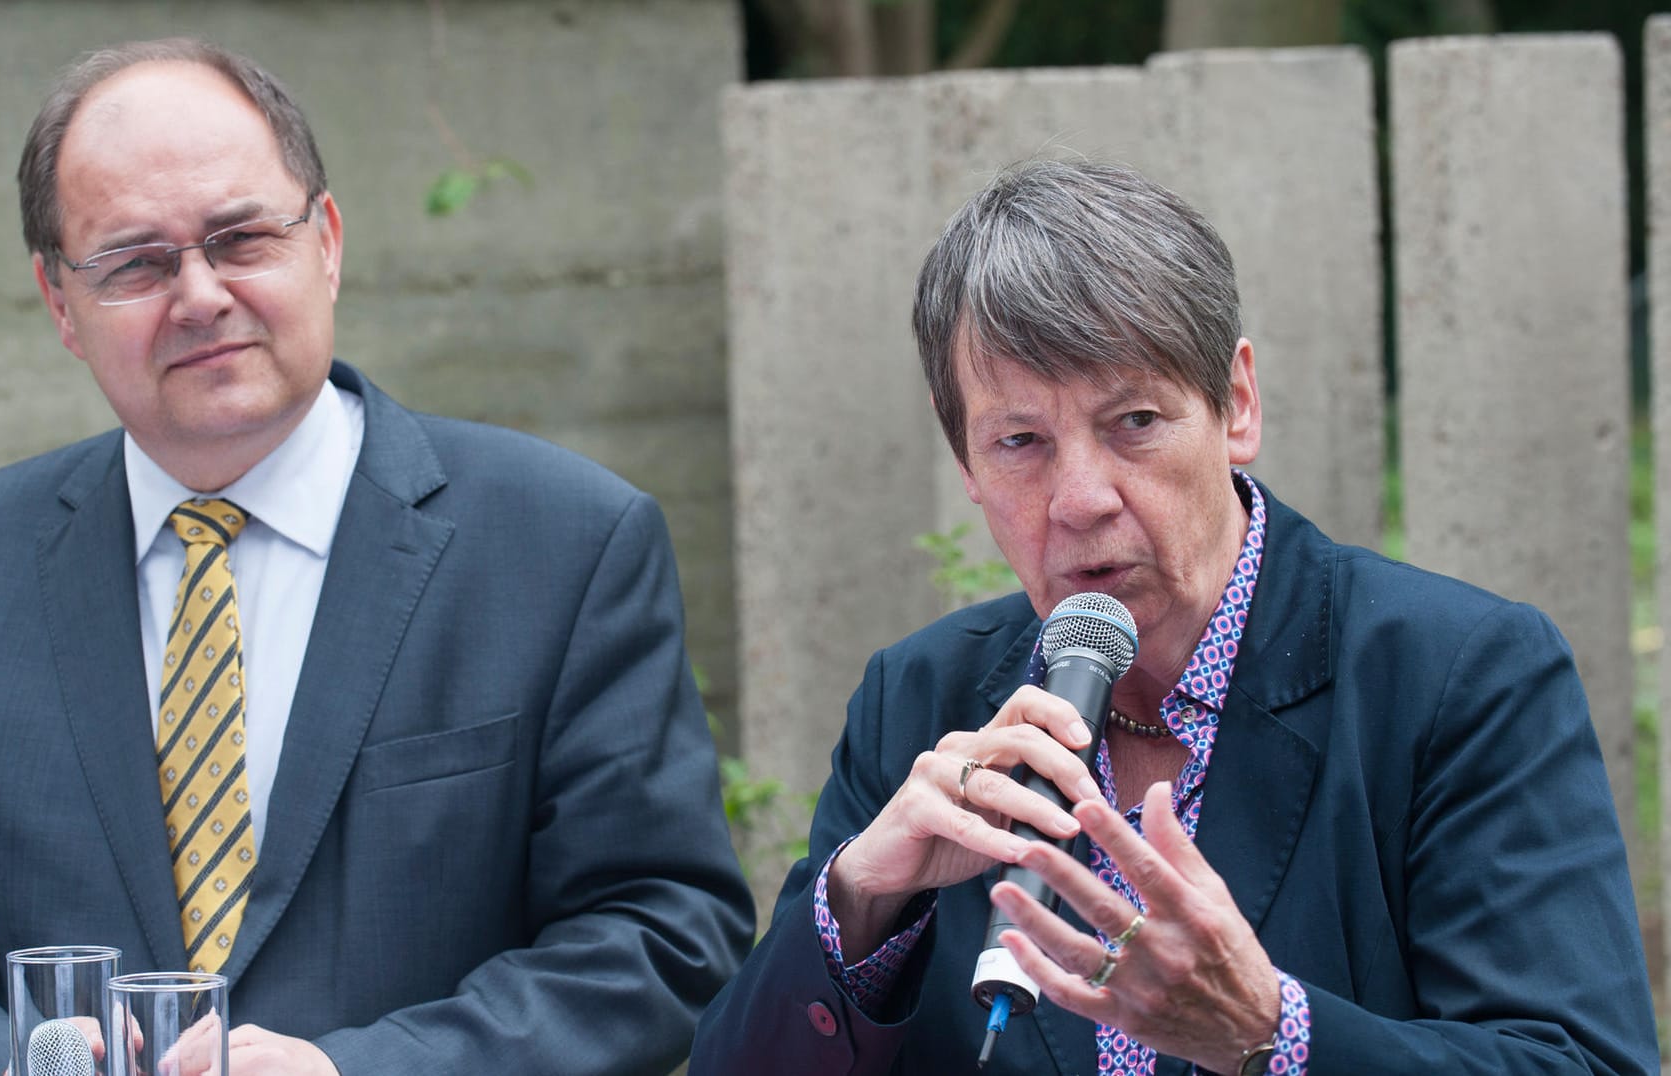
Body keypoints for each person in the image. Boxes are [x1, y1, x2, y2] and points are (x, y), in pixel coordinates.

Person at [0, 37, 752, 1076]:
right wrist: (33, 1064)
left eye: (240, 237)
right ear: (60, 301)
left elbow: (661, 931)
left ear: (326, 239)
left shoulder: (565, 541)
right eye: (136, 261)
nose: (198, 294)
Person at [691, 158, 1657, 1075]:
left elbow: (1578, 1060)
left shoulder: (1458, 678)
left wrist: (1270, 1038)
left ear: (1235, 405)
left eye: (1134, 423)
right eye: (1020, 441)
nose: (1080, 497)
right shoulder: (922, 698)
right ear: (968, 473)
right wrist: (862, 902)